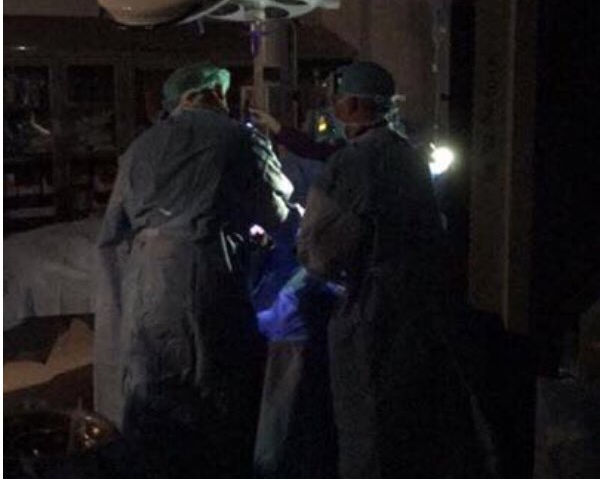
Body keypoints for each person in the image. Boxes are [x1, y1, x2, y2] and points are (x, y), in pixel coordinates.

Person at [297, 61, 496, 479]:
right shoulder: (409, 157)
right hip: (418, 308)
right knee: (408, 424)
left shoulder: (352, 163)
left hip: (373, 312)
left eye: (338, 100)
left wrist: (324, 271)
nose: (334, 108)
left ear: (353, 104)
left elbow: (319, 251)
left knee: (366, 427)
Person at [94, 62, 293, 479]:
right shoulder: (239, 138)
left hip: (147, 277)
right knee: (212, 382)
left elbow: (115, 226)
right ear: (216, 94)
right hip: (207, 272)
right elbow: (275, 212)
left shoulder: (141, 146)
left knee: (152, 379)